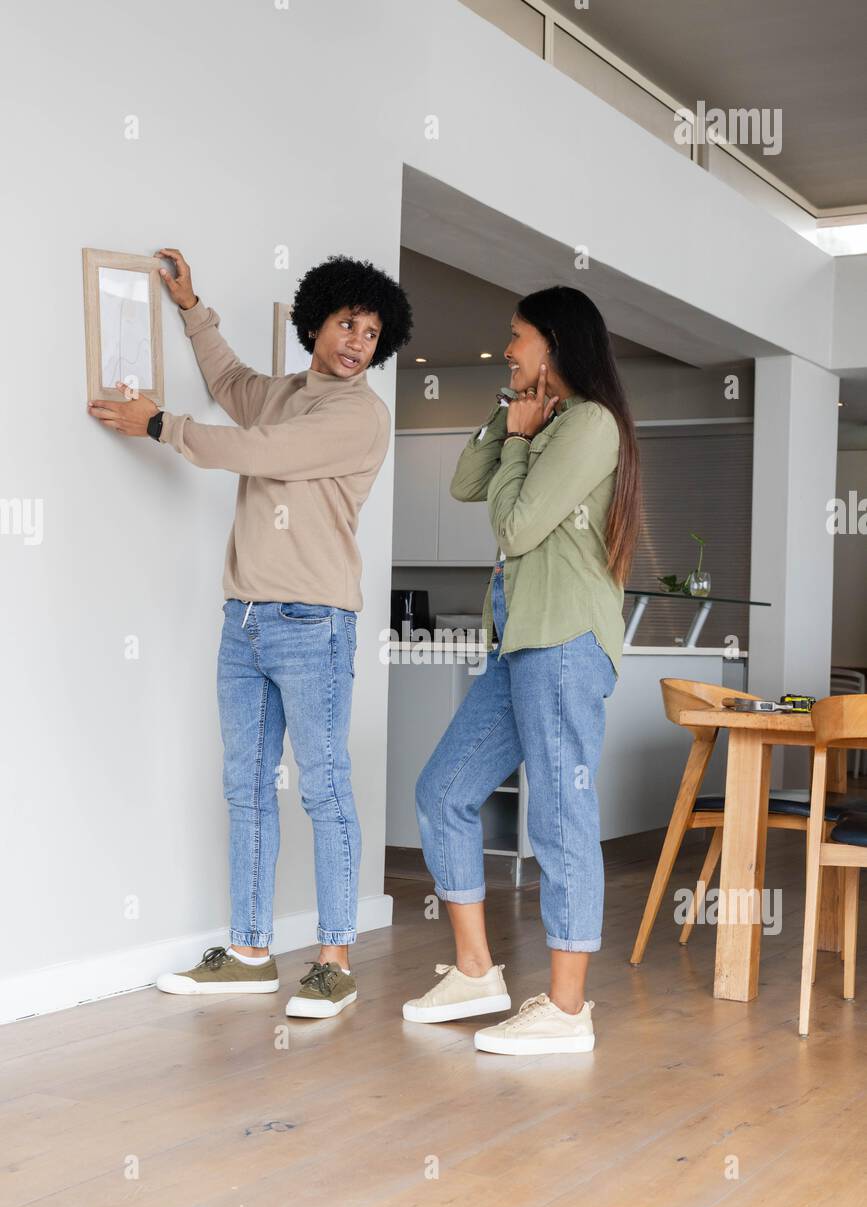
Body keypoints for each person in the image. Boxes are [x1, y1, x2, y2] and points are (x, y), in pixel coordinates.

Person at [89, 249, 412, 1018]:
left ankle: (333, 959)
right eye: (346, 323)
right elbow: (233, 386)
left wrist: (160, 425)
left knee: (325, 789)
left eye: (371, 332)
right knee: (247, 789)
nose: (356, 341)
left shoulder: (357, 415)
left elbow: (257, 450)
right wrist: (192, 308)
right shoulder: (289, 394)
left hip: (313, 620)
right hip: (244, 620)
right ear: (315, 324)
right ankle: (249, 952)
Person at [406, 286, 641, 1054]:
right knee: (442, 790)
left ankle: (568, 1011)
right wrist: (509, 414)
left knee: (559, 817)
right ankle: (475, 969)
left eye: (515, 337)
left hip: (565, 640)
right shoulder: (540, 418)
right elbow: (464, 484)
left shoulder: (591, 425)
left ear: (554, 340)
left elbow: (514, 523)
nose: (505, 347)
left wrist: (518, 435)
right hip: (517, 643)